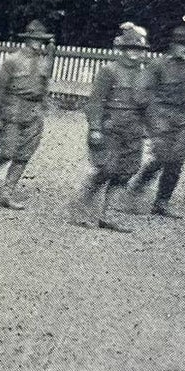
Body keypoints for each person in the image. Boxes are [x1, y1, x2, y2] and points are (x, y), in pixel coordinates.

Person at [70, 21, 150, 230]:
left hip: (134, 130)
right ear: (122, 50)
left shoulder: (144, 75)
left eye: (139, 50)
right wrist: (95, 128)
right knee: (105, 169)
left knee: (126, 171)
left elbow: (147, 104)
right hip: (111, 127)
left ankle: (108, 215)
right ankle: (80, 210)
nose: (135, 53)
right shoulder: (109, 71)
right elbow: (95, 102)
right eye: (131, 49)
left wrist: (148, 127)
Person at [124, 22, 185, 217]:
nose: (183, 49)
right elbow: (141, 91)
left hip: (182, 119)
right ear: (172, 45)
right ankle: (135, 189)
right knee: (161, 157)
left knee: (177, 162)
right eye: (180, 44)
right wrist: (148, 114)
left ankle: (161, 203)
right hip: (161, 117)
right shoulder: (157, 66)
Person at [0, 20, 53, 209]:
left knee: (24, 155)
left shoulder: (44, 61)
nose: (37, 43)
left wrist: (42, 106)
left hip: (33, 112)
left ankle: (6, 194)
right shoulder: (13, 60)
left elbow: (44, 86)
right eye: (33, 39)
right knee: (6, 152)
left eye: (40, 40)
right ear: (26, 39)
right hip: (13, 108)